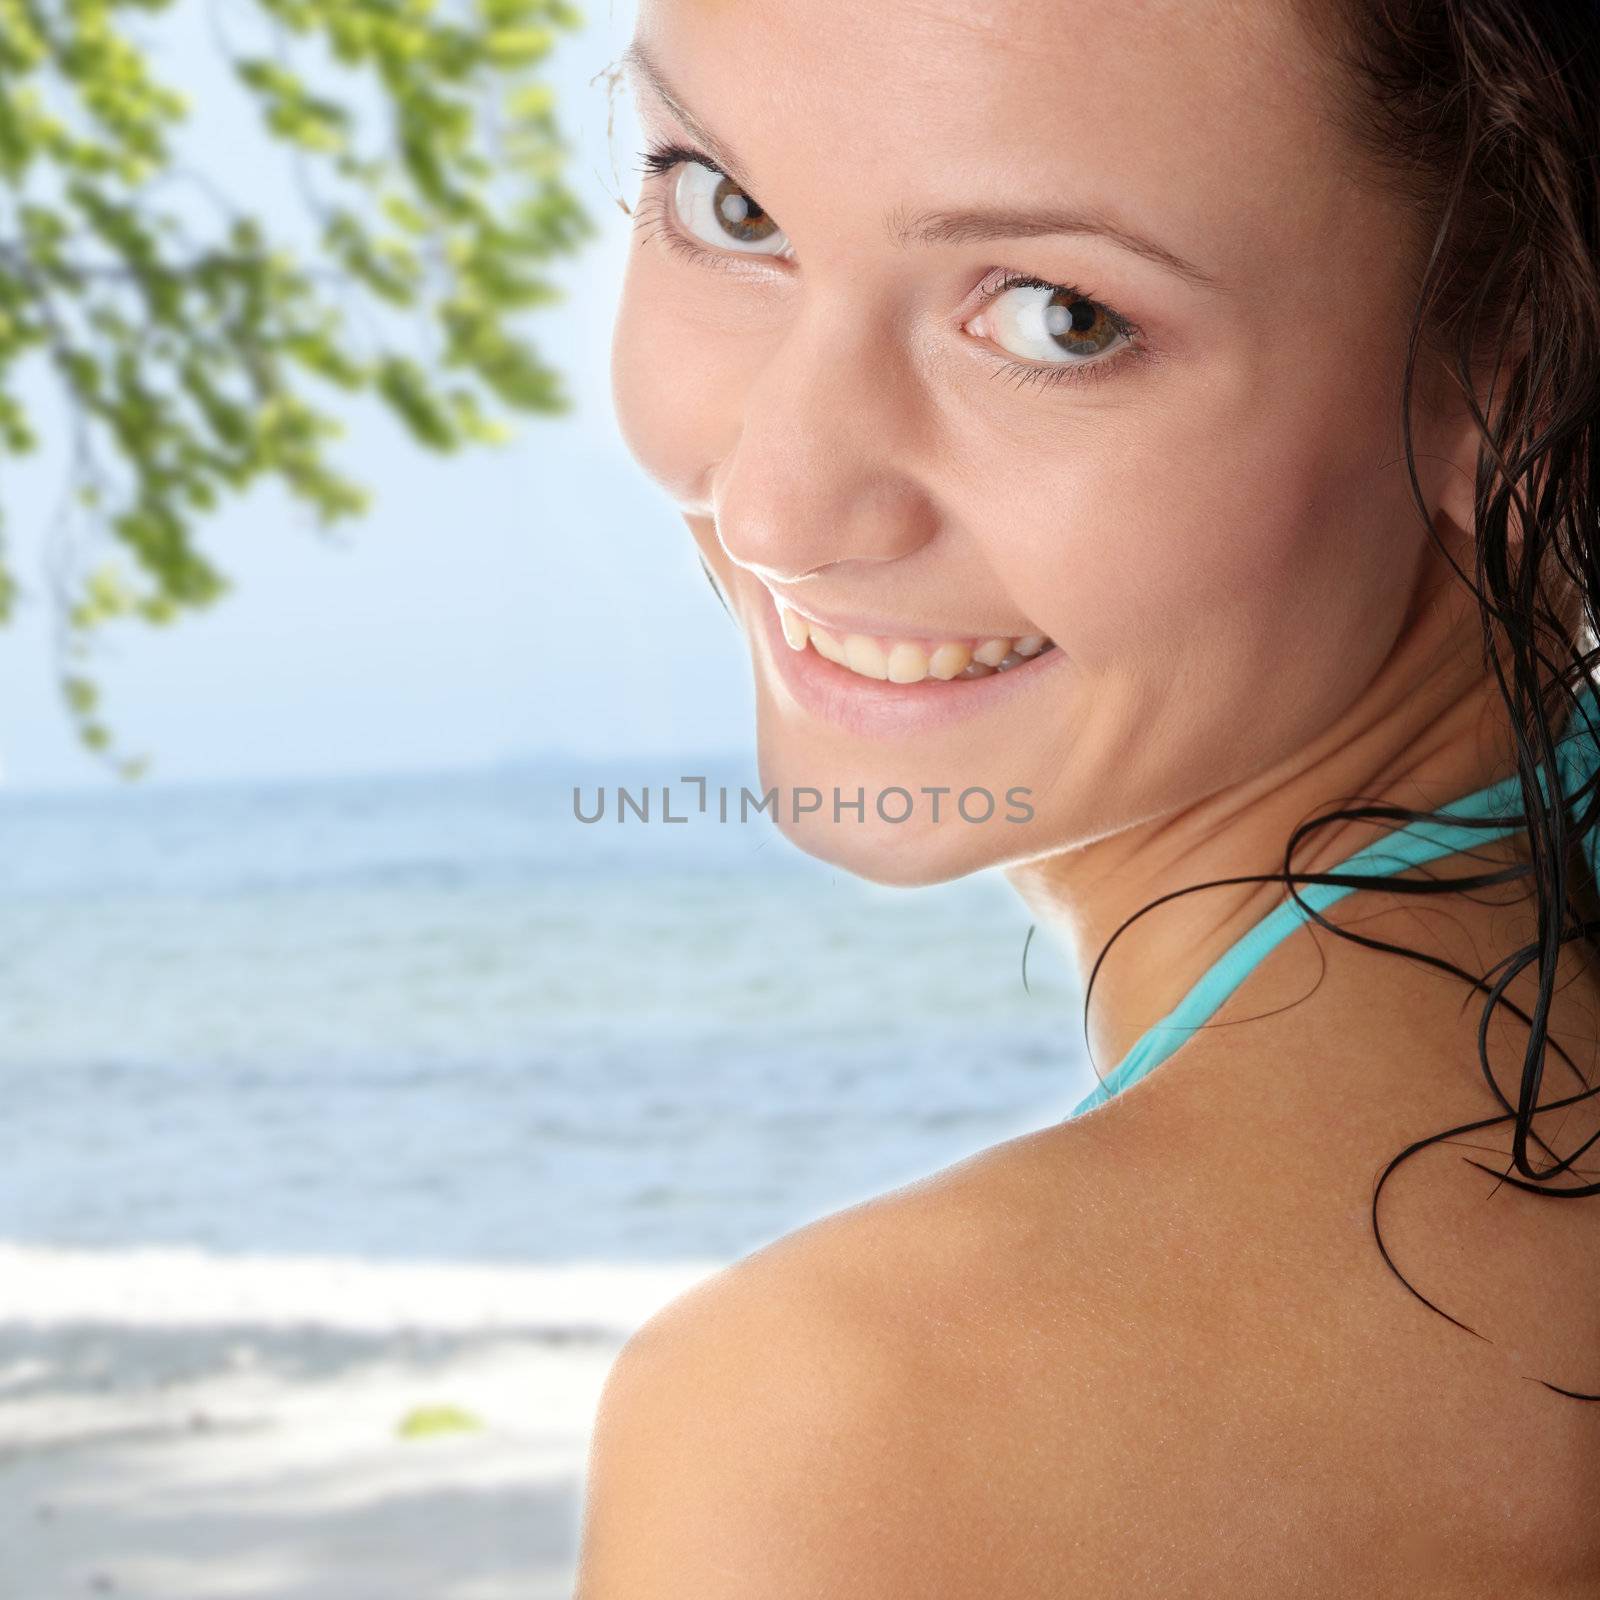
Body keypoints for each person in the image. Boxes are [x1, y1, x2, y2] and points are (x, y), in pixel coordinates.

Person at [575, 0, 1600, 1592]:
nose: (777, 502)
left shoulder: (856, 1429)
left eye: (1059, 315)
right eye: (732, 205)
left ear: (1523, 371)